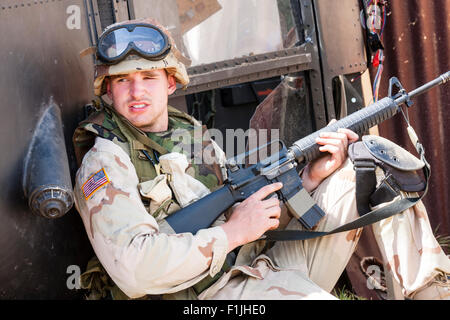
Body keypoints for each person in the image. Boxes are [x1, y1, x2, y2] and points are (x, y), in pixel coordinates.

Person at [73, 18, 450, 300]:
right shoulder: (106, 160)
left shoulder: (186, 133)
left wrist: (309, 180)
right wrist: (232, 232)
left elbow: (250, 214)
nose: (137, 91)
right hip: (204, 296)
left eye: (149, 77)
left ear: (171, 82)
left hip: (251, 265)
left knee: (366, 170)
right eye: (123, 80)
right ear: (108, 89)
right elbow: (134, 272)